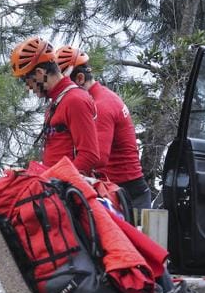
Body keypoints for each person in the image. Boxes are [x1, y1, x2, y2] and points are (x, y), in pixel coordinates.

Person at [54, 45, 151, 210]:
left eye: (65, 87)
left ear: (79, 79)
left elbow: (96, 158)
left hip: (128, 196)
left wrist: (57, 176)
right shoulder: (101, 97)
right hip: (123, 190)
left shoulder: (100, 106)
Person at [9, 37, 99, 175]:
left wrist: (53, 182)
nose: (28, 88)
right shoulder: (57, 101)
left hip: (62, 188)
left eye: (26, 81)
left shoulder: (75, 100)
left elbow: (89, 156)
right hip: (53, 183)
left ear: (39, 73)